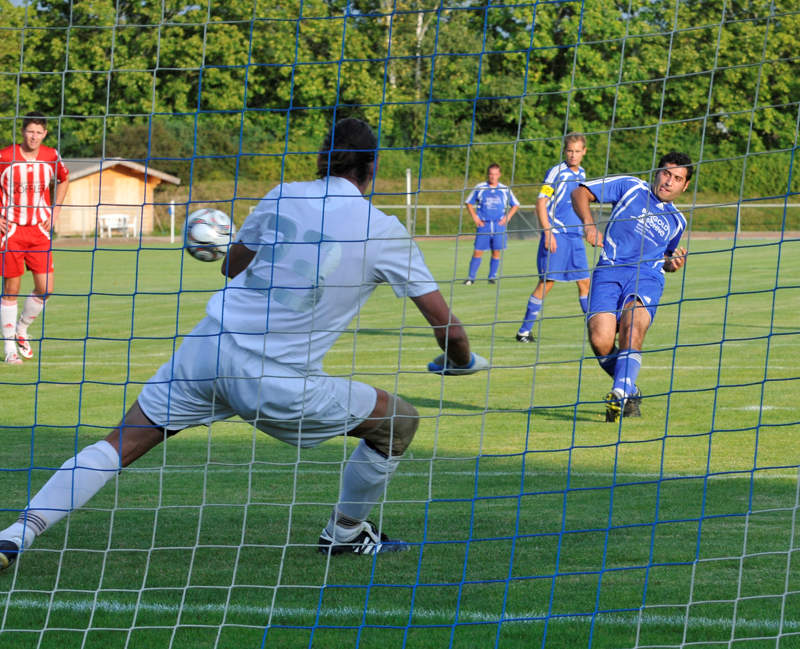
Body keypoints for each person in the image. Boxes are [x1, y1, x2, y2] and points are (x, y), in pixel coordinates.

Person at [0, 118, 488, 570]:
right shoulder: (383, 230)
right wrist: (461, 362)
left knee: (118, 444)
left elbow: (231, 266)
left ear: (322, 159)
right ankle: (345, 533)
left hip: (206, 350)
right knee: (399, 423)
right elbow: (449, 329)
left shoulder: (282, 195)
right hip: (275, 380)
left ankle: (16, 534)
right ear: (372, 167)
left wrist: (222, 240)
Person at [571, 152, 692, 422]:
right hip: (609, 270)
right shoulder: (630, 186)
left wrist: (672, 264)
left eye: (677, 179)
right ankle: (630, 390)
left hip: (646, 278)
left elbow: (665, 258)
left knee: (632, 328)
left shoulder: (678, 221)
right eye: (666, 174)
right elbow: (580, 192)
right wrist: (589, 225)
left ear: (685, 186)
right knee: (600, 341)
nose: (669, 182)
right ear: (657, 173)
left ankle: (618, 392)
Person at [0, 112, 69, 364]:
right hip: (11, 231)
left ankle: (21, 329)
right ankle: (9, 349)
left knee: (46, 288)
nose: (34, 136)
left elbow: (64, 179)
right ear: (22, 131)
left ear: (45, 134)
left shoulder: (51, 156)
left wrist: (55, 210)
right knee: (11, 290)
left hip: (39, 231)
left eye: (39, 132)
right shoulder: (5, 157)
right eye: (30, 131)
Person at [516, 133, 590, 343]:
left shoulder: (582, 174)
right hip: (557, 235)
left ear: (584, 152)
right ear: (564, 151)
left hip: (575, 236)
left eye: (577, 151)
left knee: (585, 283)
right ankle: (524, 331)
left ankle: (595, 330)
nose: (573, 155)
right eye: (570, 151)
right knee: (547, 282)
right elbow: (541, 202)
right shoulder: (556, 172)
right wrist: (548, 232)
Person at [463, 163, 519, 285]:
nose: (493, 177)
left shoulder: (504, 189)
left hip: (499, 225)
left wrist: (507, 217)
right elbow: (468, 203)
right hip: (484, 225)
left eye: (495, 174)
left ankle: (492, 277)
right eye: (491, 174)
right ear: (488, 175)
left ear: (499, 175)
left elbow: (515, 205)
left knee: (496, 251)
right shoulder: (480, 187)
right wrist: (475, 217)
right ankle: (471, 277)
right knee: (478, 251)